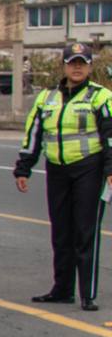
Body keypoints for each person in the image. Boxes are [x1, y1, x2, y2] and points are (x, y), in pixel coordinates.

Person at [14, 43, 112, 311]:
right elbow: (33, 134)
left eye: (82, 62)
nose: (77, 67)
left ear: (90, 66)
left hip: (88, 169)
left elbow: (110, 136)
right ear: (64, 66)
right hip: (57, 169)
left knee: (85, 232)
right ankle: (62, 289)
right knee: (61, 233)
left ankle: (87, 294)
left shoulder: (101, 97)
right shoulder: (46, 98)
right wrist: (24, 168)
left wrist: (110, 170)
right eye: (72, 62)